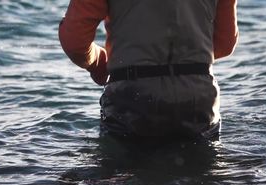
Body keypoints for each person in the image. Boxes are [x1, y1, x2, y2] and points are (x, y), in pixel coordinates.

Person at [59, 0, 238, 140]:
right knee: (202, 179)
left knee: (122, 179)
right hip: (198, 97)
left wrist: (100, 63)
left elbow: (75, 42)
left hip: (134, 97)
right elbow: (225, 43)